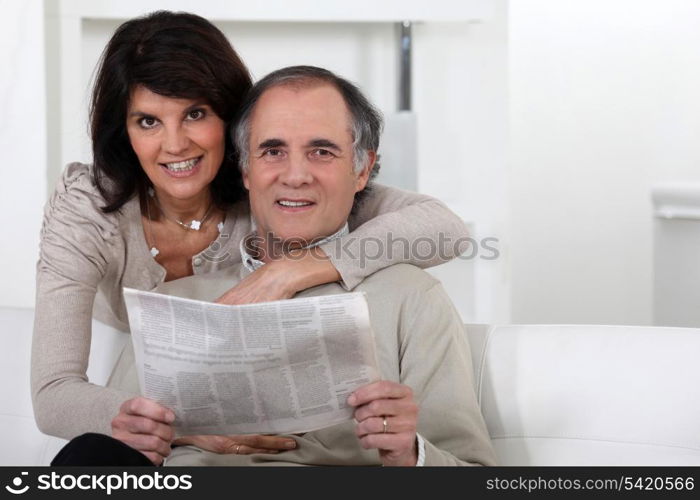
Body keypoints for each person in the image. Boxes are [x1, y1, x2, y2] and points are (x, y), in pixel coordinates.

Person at [32, 12, 473, 464]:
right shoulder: (142, 264)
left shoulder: (405, 294)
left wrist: (293, 269)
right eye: (147, 121)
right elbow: (64, 400)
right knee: (88, 457)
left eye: (196, 114)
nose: (175, 144)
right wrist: (179, 430)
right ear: (247, 166)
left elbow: (445, 228)